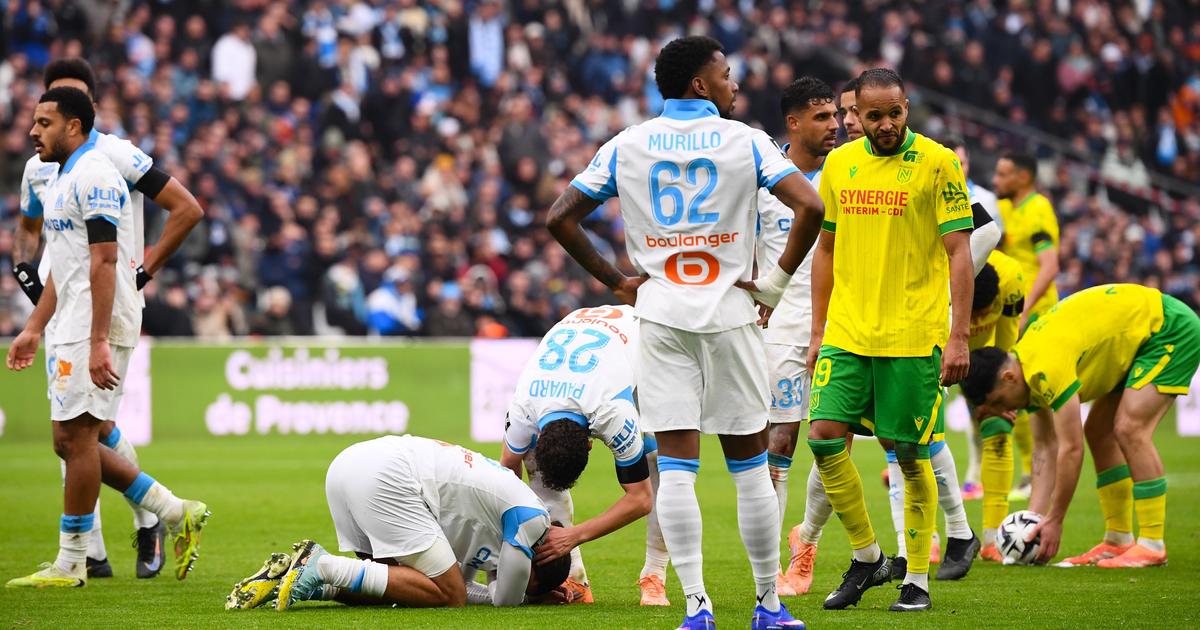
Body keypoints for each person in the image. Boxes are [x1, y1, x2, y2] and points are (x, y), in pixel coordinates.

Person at [547, 35, 823, 630]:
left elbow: (560, 217)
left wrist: (618, 281)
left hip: (661, 316)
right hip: (730, 314)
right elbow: (811, 207)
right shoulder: (746, 140)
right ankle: (767, 605)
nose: (734, 84)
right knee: (749, 465)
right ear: (701, 84)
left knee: (675, 468)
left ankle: (697, 608)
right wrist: (773, 287)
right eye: (725, 75)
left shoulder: (627, 144)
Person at [6, 87, 208, 588]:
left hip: (97, 321)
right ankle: (173, 510)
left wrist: (98, 340)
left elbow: (104, 260)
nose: (33, 132)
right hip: (71, 320)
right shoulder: (61, 177)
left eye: (45, 123)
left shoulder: (97, 173)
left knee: (76, 439)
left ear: (74, 125)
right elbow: (65, 267)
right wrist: (34, 327)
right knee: (71, 440)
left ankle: (73, 561)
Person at [807, 68, 974, 612]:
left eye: (894, 113)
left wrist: (959, 336)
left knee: (908, 454)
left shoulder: (938, 162)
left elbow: (959, 253)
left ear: (907, 107)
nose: (885, 124)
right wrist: (817, 330)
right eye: (873, 115)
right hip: (848, 331)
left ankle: (917, 580)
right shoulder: (839, 163)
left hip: (913, 335)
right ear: (856, 112)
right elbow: (826, 249)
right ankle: (868, 556)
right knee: (824, 437)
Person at [961, 284, 1200, 568]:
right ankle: (1118, 539)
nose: (1006, 412)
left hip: (1168, 329)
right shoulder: (1025, 369)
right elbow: (1045, 448)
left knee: (1130, 429)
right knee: (1099, 433)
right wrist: (1033, 524)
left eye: (1000, 402)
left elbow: (1071, 450)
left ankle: (1152, 543)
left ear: (1009, 377)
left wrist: (1056, 519)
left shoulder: (1045, 367)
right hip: (1134, 338)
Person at [229, 435, 570, 610]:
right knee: (447, 595)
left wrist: (527, 590)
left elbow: (468, 585)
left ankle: (299, 580)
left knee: (407, 589)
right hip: (389, 477)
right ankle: (322, 566)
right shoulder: (532, 520)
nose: (507, 574)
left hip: (352, 464)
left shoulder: (497, 522)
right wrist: (532, 598)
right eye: (526, 580)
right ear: (535, 562)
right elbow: (502, 599)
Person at [499, 304, 656, 605]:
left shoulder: (612, 412)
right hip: (583, 334)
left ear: (590, 444)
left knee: (656, 459)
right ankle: (576, 578)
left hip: (645, 338)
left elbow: (641, 498)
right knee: (531, 465)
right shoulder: (523, 408)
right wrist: (517, 531)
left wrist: (576, 535)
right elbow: (507, 469)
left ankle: (655, 573)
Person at [750, 76, 836, 598]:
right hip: (780, 326)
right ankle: (770, 578)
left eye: (836, 116)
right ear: (794, 122)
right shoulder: (763, 177)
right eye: (823, 117)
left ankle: (807, 541)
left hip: (841, 323)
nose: (835, 125)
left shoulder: (847, 171)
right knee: (778, 445)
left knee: (832, 442)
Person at [992, 151, 1061, 500]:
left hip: (1036, 313)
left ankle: (1039, 472)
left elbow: (1049, 265)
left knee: (1025, 392)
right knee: (1011, 391)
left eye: (1004, 174)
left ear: (1023, 177)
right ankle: (1029, 473)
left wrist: (1025, 309)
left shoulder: (1038, 209)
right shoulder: (1006, 209)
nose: (996, 180)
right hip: (1013, 310)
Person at [944, 137, 1002, 502]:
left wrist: (950, 288)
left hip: (978, 301)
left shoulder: (981, 199)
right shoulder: (933, 188)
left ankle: (978, 474)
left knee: (980, 391)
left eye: (961, 162)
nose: (957, 167)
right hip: (943, 304)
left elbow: (992, 238)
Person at [964, 251, 1025, 562]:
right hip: (934, 350)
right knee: (923, 439)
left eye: (982, 315)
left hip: (984, 362)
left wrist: (999, 398)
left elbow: (1006, 347)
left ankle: (992, 540)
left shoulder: (1012, 279)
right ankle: (926, 541)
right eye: (972, 316)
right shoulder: (934, 274)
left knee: (1000, 425)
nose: (976, 323)